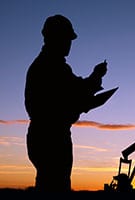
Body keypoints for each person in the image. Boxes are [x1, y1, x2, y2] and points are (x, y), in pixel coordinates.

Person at [24, 14, 108, 192]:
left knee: (51, 184)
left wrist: (94, 77)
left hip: (46, 136)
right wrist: (94, 79)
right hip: (51, 137)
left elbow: (74, 91)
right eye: (67, 39)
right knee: (55, 186)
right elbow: (74, 92)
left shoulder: (52, 65)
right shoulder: (50, 66)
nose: (69, 44)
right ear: (55, 38)